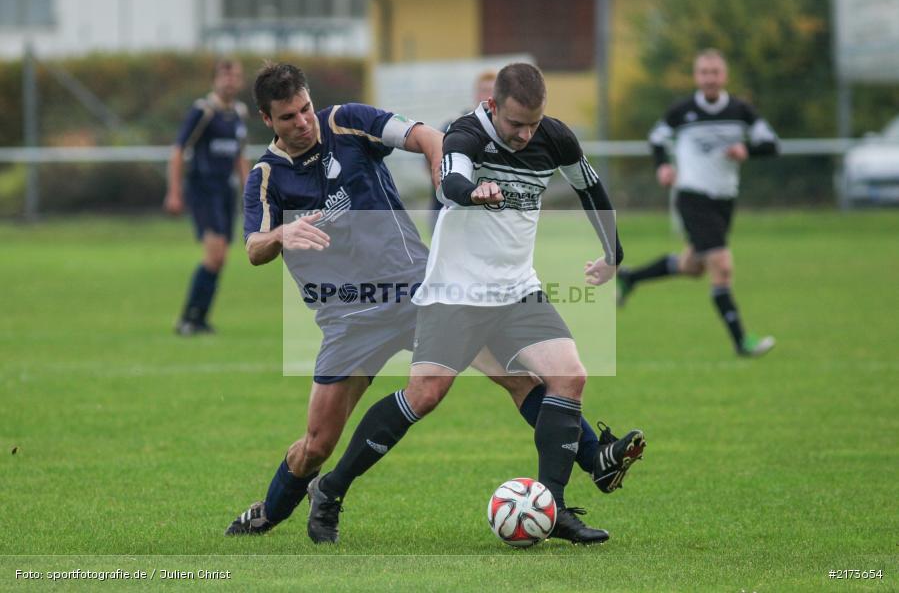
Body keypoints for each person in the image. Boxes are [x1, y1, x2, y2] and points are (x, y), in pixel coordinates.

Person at [224, 62, 632, 537]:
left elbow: (422, 135)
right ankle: (275, 510)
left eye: (306, 108)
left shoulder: (345, 121)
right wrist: (281, 233)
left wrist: (448, 172)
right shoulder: (266, 177)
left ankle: (592, 463)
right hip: (348, 318)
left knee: (515, 377)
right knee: (316, 445)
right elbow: (253, 248)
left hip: (419, 291)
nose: (304, 122)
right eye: (289, 116)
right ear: (266, 120)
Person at [618, 49, 779, 357]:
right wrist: (662, 166)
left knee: (692, 266)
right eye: (704, 72)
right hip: (692, 195)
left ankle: (631, 277)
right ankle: (742, 342)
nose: (709, 78)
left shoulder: (741, 110)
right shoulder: (682, 111)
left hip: (724, 199)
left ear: (724, 76)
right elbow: (656, 138)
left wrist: (747, 150)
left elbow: (772, 144)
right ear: (696, 76)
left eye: (715, 72)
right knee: (722, 266)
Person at [164, 58, 250, 336]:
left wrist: (250, 191)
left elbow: (240, 155)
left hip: (226, 192)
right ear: (214, 80)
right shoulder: (204, 112)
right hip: (203, 189)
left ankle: (199, 319)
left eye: (234, 76)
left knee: (220, 257)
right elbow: (178, 151)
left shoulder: (238, 113)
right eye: (225, 75)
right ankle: (189, 318)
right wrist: (175, 192)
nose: (230, 81)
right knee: (214, 254)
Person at [428, 70, 497, 233]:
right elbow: (433, 162)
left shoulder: (505, 134)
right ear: (476, 94)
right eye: (485, 90)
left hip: (484, 215)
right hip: (448, 208)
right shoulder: (454, 127)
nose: (488, 96)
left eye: (493, 91)